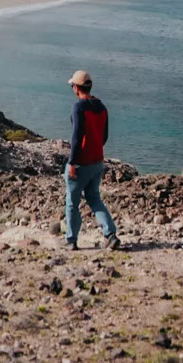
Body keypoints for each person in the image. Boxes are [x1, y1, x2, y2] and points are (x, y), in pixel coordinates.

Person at [64, 70, 120, 251]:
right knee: (94, 198)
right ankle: (110, 234)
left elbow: (76, 137)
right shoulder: (102, 107)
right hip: (97, 162)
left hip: (81, 163)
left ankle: (71, 240)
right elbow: (104, 137)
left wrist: (72, 162)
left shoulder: (79, 107)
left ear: (77, 88)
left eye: (73, 85)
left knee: (72, 202)